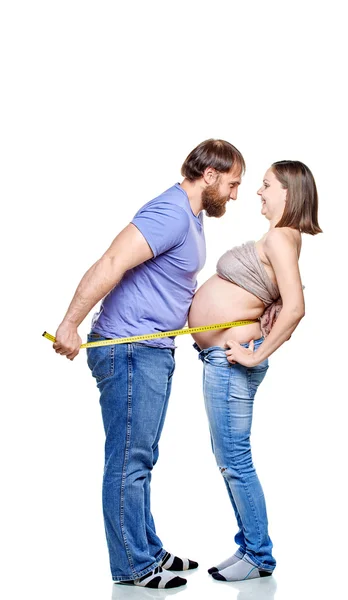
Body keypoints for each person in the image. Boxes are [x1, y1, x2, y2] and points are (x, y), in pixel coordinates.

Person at [52, 139, 245, 589]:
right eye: (233, 184)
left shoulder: (191, 217)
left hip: (151, 351)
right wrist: (69, 323)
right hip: (129, 348)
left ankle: (147, 549)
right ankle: (133, 566)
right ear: (210, 175)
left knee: (142, 457)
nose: (235, 195)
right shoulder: (170, 212)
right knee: (128, 460)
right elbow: (114, 260)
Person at [188, 160, 322, 582]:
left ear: (289, 192)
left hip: (233, 360)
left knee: (235, 460)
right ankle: (249, 547)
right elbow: (280, 298)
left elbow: (296, 306)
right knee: (228, 458)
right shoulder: (279, 238)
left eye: (266, 185)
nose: (259, 192)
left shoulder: (282, 237)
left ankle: (259, 555)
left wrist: (254, 353)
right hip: (223, 359)